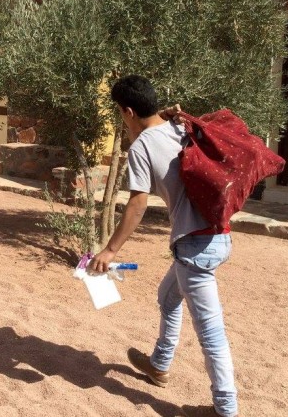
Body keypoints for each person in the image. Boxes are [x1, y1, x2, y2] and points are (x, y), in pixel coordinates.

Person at [88, 75, 238, 417]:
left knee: (211, 332)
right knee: (168, 297)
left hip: (195, 247)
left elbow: (138, 203)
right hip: (217, 236)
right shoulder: (180, 126)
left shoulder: (142, 146)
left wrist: (110, 250)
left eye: (121, 113)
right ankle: (159, 364)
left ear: (127, 111)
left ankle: (226, 410)